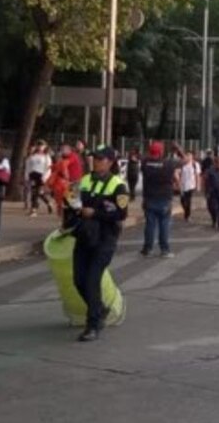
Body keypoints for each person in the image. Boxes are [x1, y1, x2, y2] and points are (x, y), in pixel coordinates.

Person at [71, 145, 129, 342]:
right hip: (85, 237)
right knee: (78, 280)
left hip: (105, 239)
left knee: (91, 280)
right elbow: (73, 202)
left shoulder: (118, 185)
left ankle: (93, 324)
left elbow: (121, 214)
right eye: (94, 158)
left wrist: (95, 213)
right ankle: (99, 308)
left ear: (110, 162)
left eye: (101, 159)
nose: (96, 161)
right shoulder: (85, 181)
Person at [139, 141, 180, 258]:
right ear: (161, 152)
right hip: (165, 199)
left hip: (149, 198)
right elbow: (187, 161)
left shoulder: (145, 163)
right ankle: (164, 250)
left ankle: (147, 249)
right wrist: (178, 149)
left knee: (150, 225)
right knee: (164, 225)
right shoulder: (168, 164)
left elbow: (146, 157)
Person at [25, 140, 53, 217]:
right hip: (33, 175)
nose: (40, 147)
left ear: (45, 147)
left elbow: (49, 168)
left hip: (41, 175)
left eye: (42, 146)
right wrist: (27, 176)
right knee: (37, 192)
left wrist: (45, 177)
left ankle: (34, 210)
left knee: (36, 192)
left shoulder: (47, 157)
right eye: (39, 145)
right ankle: (48, 202)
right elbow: (28, 167)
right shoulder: (32, 156)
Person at [47, 147, 72, 220]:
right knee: (63, 200)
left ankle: (60, 214)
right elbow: (65, 173)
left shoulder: (56, 165)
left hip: (58, 184)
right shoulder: (64, 162)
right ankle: (62, 214)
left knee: (60, 201)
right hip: (62, 183)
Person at [178, 153, 200, 222]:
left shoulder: (195, 165)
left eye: (189, 157)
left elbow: (197, 175)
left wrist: (198, 185)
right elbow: (179, 174)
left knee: (188, 201)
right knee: (182, 201)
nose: (187, 158)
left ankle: (187, 215)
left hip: (191, 185)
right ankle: (186, 212)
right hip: (183, 185)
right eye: (186, 157)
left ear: (191, 158)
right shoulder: (182, 165)